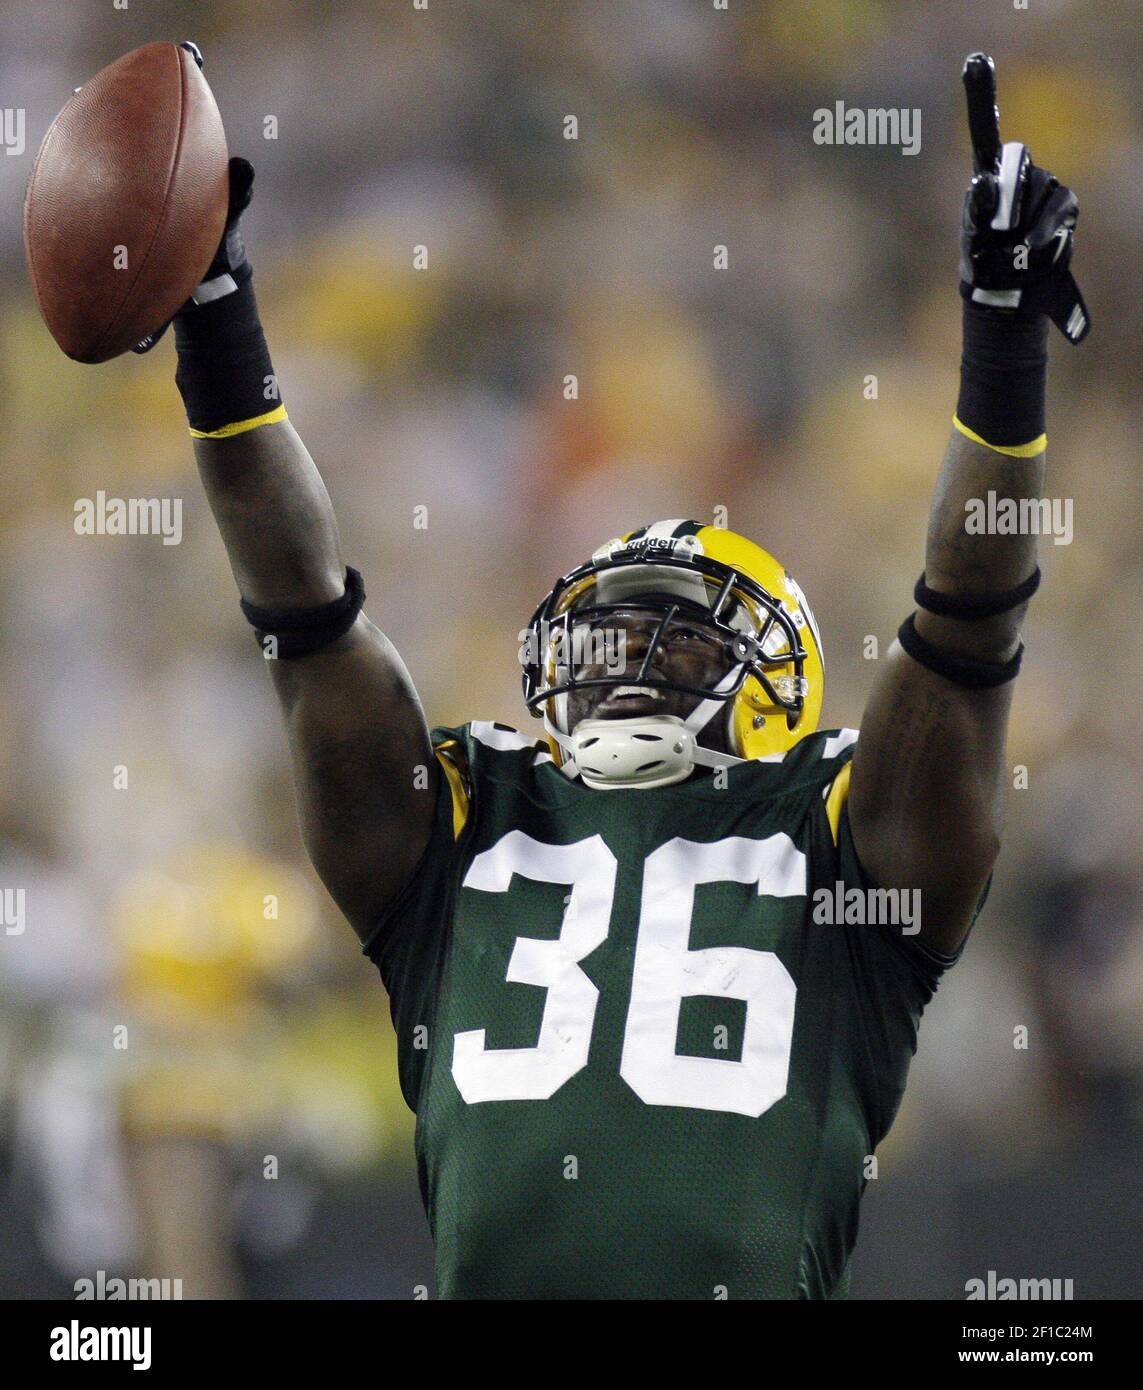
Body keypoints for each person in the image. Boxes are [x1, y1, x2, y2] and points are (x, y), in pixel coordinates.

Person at [150, 47, 1088, 1298]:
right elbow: (307, 611)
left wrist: (1002, 349)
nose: (635, 666)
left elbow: (967, 625)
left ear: (778, 686)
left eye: (683, 638)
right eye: (612, 636)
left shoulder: (839, 840)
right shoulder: (464, 825)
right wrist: (219, 325)